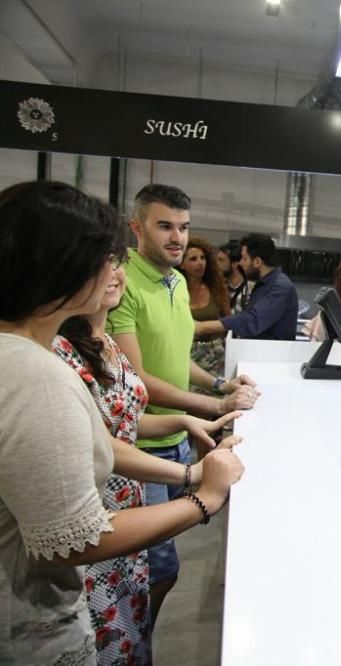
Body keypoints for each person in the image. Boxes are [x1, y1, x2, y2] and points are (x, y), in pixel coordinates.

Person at [0, 181, 245, 665]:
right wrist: (205, 498)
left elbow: (101, 443)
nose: (116, 272)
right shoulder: (36, 372)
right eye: (105, 260)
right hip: (32, 634)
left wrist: (189, 468)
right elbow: (73, 541)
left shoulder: (30, 355)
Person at [54, 259, 240, 665]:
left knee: (132, 624)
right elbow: (101, 444)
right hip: (100, 509)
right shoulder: (59, 353)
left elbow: (121, 420)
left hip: (128, 500)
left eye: (117, 263)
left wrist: (183, 421)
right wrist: (199, 489)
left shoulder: (104, 343)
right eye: (101, 264)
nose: (115, 274)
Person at [108, 183, 258, 627]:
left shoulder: (175, 281)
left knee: (159, 565)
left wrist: (218, 382)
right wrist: (211, 406)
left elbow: (176, 355)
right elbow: (137, 381)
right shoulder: (121, 284)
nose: (177, 237)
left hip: (176, 439)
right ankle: (136, 644)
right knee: (157, 567)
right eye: (165, 226)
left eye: (184, 228)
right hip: (141, 445)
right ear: (137, 227)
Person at [194, 233, 299, 341]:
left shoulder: (281, 287)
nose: (240, 263)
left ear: (257, 262)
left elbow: (252, 321)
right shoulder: (263, 284)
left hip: (271, 356)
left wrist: (202, 327)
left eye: (244, 259)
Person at [179, 236, 231, 380]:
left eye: (203, 258)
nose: (200, 263)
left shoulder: (216, 288)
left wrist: (205, 328)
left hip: (216, 353)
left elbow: (228, 321)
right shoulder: (175, 291)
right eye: (193, 259)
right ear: (182, 264)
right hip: (185, 352)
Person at [218, 240, 249, 313]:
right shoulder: (217, 287)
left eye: (221, 260)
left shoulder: (249, 290)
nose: (216, 264)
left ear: (235, 264)